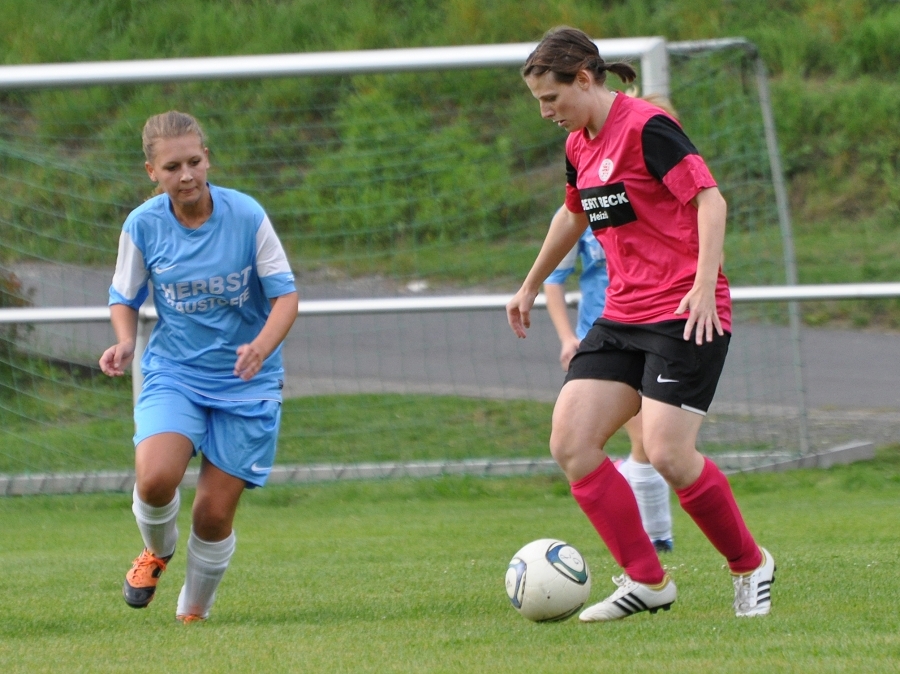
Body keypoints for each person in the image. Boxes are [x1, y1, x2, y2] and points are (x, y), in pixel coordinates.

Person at [507, 27, 774, 622]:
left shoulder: (648, 127)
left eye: (551, 98)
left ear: (583, 79)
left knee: (668, 454)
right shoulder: (578, 144)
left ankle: (751, 565)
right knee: (571, 443)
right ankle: (647, 581)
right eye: (538, 101)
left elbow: (710, 200)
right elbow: (572, 215)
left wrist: (703, 283)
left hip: (685, 311)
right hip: (623, 314)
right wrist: (529, 285)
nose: (546, 112)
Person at [99, 110, 298, 623]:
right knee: (154, 479)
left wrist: (260, 346)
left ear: (207, 159)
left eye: (193, 162)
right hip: (177, 373)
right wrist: (125, 340)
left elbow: (286, 298)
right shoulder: (143, 225)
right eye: (172, 167)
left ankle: (193, 613)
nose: (185, 175)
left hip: (246, 381)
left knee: (211, 514)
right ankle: (157, 551)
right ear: (152, 172)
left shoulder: (247, 215)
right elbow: (124, 295)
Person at [543, 208, 674, 554]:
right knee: (646, 437)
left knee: (657, 441)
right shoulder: (577, 213)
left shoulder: (643, 202)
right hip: (602, 340)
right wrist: (567, 338)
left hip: (654, 332)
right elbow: (554, 278)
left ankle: (630, 480)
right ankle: (658, 538)